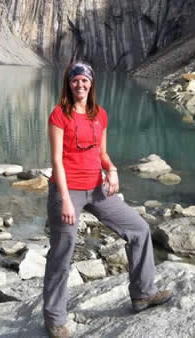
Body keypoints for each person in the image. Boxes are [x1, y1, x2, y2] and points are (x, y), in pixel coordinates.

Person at [43, 61, 172, 338]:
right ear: (69, 84)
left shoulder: (100, 115)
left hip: (97, 189)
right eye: (75, 80)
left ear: (91, 84)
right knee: (62, 252)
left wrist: (111, 170)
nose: (80, 85)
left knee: (139, 229)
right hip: (67, 190)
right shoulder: (59, 115)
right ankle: (54, 318)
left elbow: (101, 153)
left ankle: (143, 294)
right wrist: (65, 199)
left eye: (85, 80)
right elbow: (56, 161)